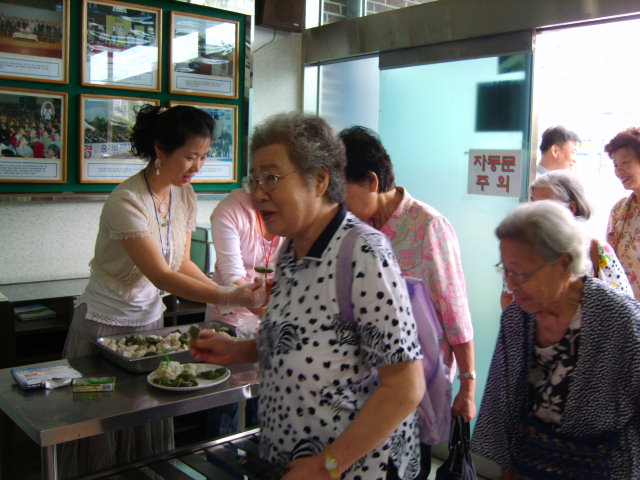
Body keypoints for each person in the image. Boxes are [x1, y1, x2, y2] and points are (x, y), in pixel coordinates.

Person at [192, 112, 426, 480]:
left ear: (319, 180)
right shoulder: (291, 251)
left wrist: (327, 464)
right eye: (254, 180)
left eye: (271, 177)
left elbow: (405, 387)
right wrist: (239, 350)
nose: (258, 193)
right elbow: (306, 338)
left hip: (353, 470)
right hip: (293, 463)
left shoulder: (363, 252)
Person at [59, 104, 265, 477]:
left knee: (146, 425)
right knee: (99, 431)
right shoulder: (126, 201)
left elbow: (182, 263)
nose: (197, 166)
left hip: (151, 328)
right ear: (160, 149)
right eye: (189, 156)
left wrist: (226, 290)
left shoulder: (183, 195)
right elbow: (161, 276)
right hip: (104, 329)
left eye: (203, 156)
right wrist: (230, 296)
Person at [472, 200, 640, 479]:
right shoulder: (516, 318)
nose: (511, 284)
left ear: (563, 262)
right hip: (532, 464)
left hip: (605, 469)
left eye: (521, 272)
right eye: (505, 270)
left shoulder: (620, 318)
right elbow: (501, 407)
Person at [339, 126, 475, 421]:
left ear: (372, 181)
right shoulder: (357, 231)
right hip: (366, 380)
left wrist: (468, 384)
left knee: (409, 465)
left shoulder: (428, 226)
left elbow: (455, 314)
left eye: (343, 191)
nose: (339, 203)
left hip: (419, 382)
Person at [203, 187, 285, 436]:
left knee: (263, 409)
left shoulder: (291, 209)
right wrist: (264, 308)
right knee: (223, 406)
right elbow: (232, 276)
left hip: (271, 322)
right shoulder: (230, 211)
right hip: (228, 322)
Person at [499, 171, 633, 308]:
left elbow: (623, 304)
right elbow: (507, 295)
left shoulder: (596, 249)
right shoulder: (522, 249)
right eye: (532, 202)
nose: (534, 212)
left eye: (545, 205)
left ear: (572, 208)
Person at [606, 127, 640, 299]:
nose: (619, 171)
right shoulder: (619, 210)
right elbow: (609, 265)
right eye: (616, 165)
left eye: (625, 163)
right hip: (628, 312)